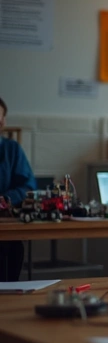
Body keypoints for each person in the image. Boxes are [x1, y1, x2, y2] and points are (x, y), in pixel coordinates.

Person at [0, 96, 35, 281]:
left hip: (5, 227)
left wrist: (7, 199)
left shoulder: (11, 149)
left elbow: (28, 185)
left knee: (14, 249)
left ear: (3, 122)